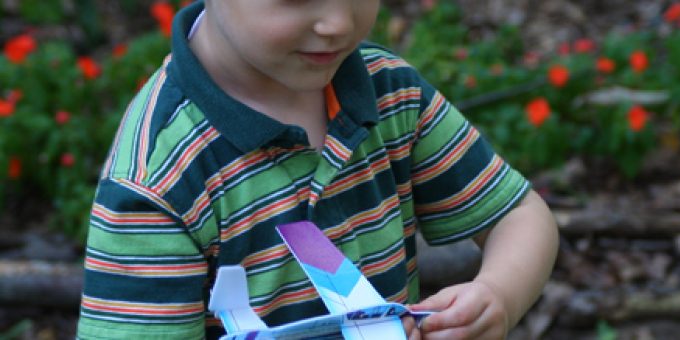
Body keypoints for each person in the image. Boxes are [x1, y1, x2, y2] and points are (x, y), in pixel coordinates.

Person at [77, 0, 558, 339]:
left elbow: (519, 216)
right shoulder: (159, 178)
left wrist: (498, 295)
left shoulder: (389, 92)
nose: (338, 22)